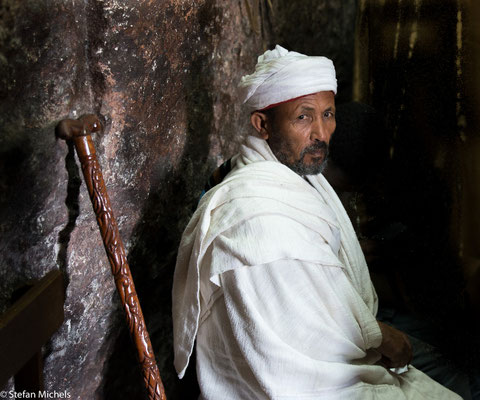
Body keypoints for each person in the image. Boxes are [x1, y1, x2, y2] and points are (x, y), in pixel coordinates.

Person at [172, 45, 460, 399]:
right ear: (262, 125)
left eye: (328, 114)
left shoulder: (300, 177)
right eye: (303, 118)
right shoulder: (253, 214)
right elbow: (297, 351)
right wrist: (377, 335)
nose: (321, 134)